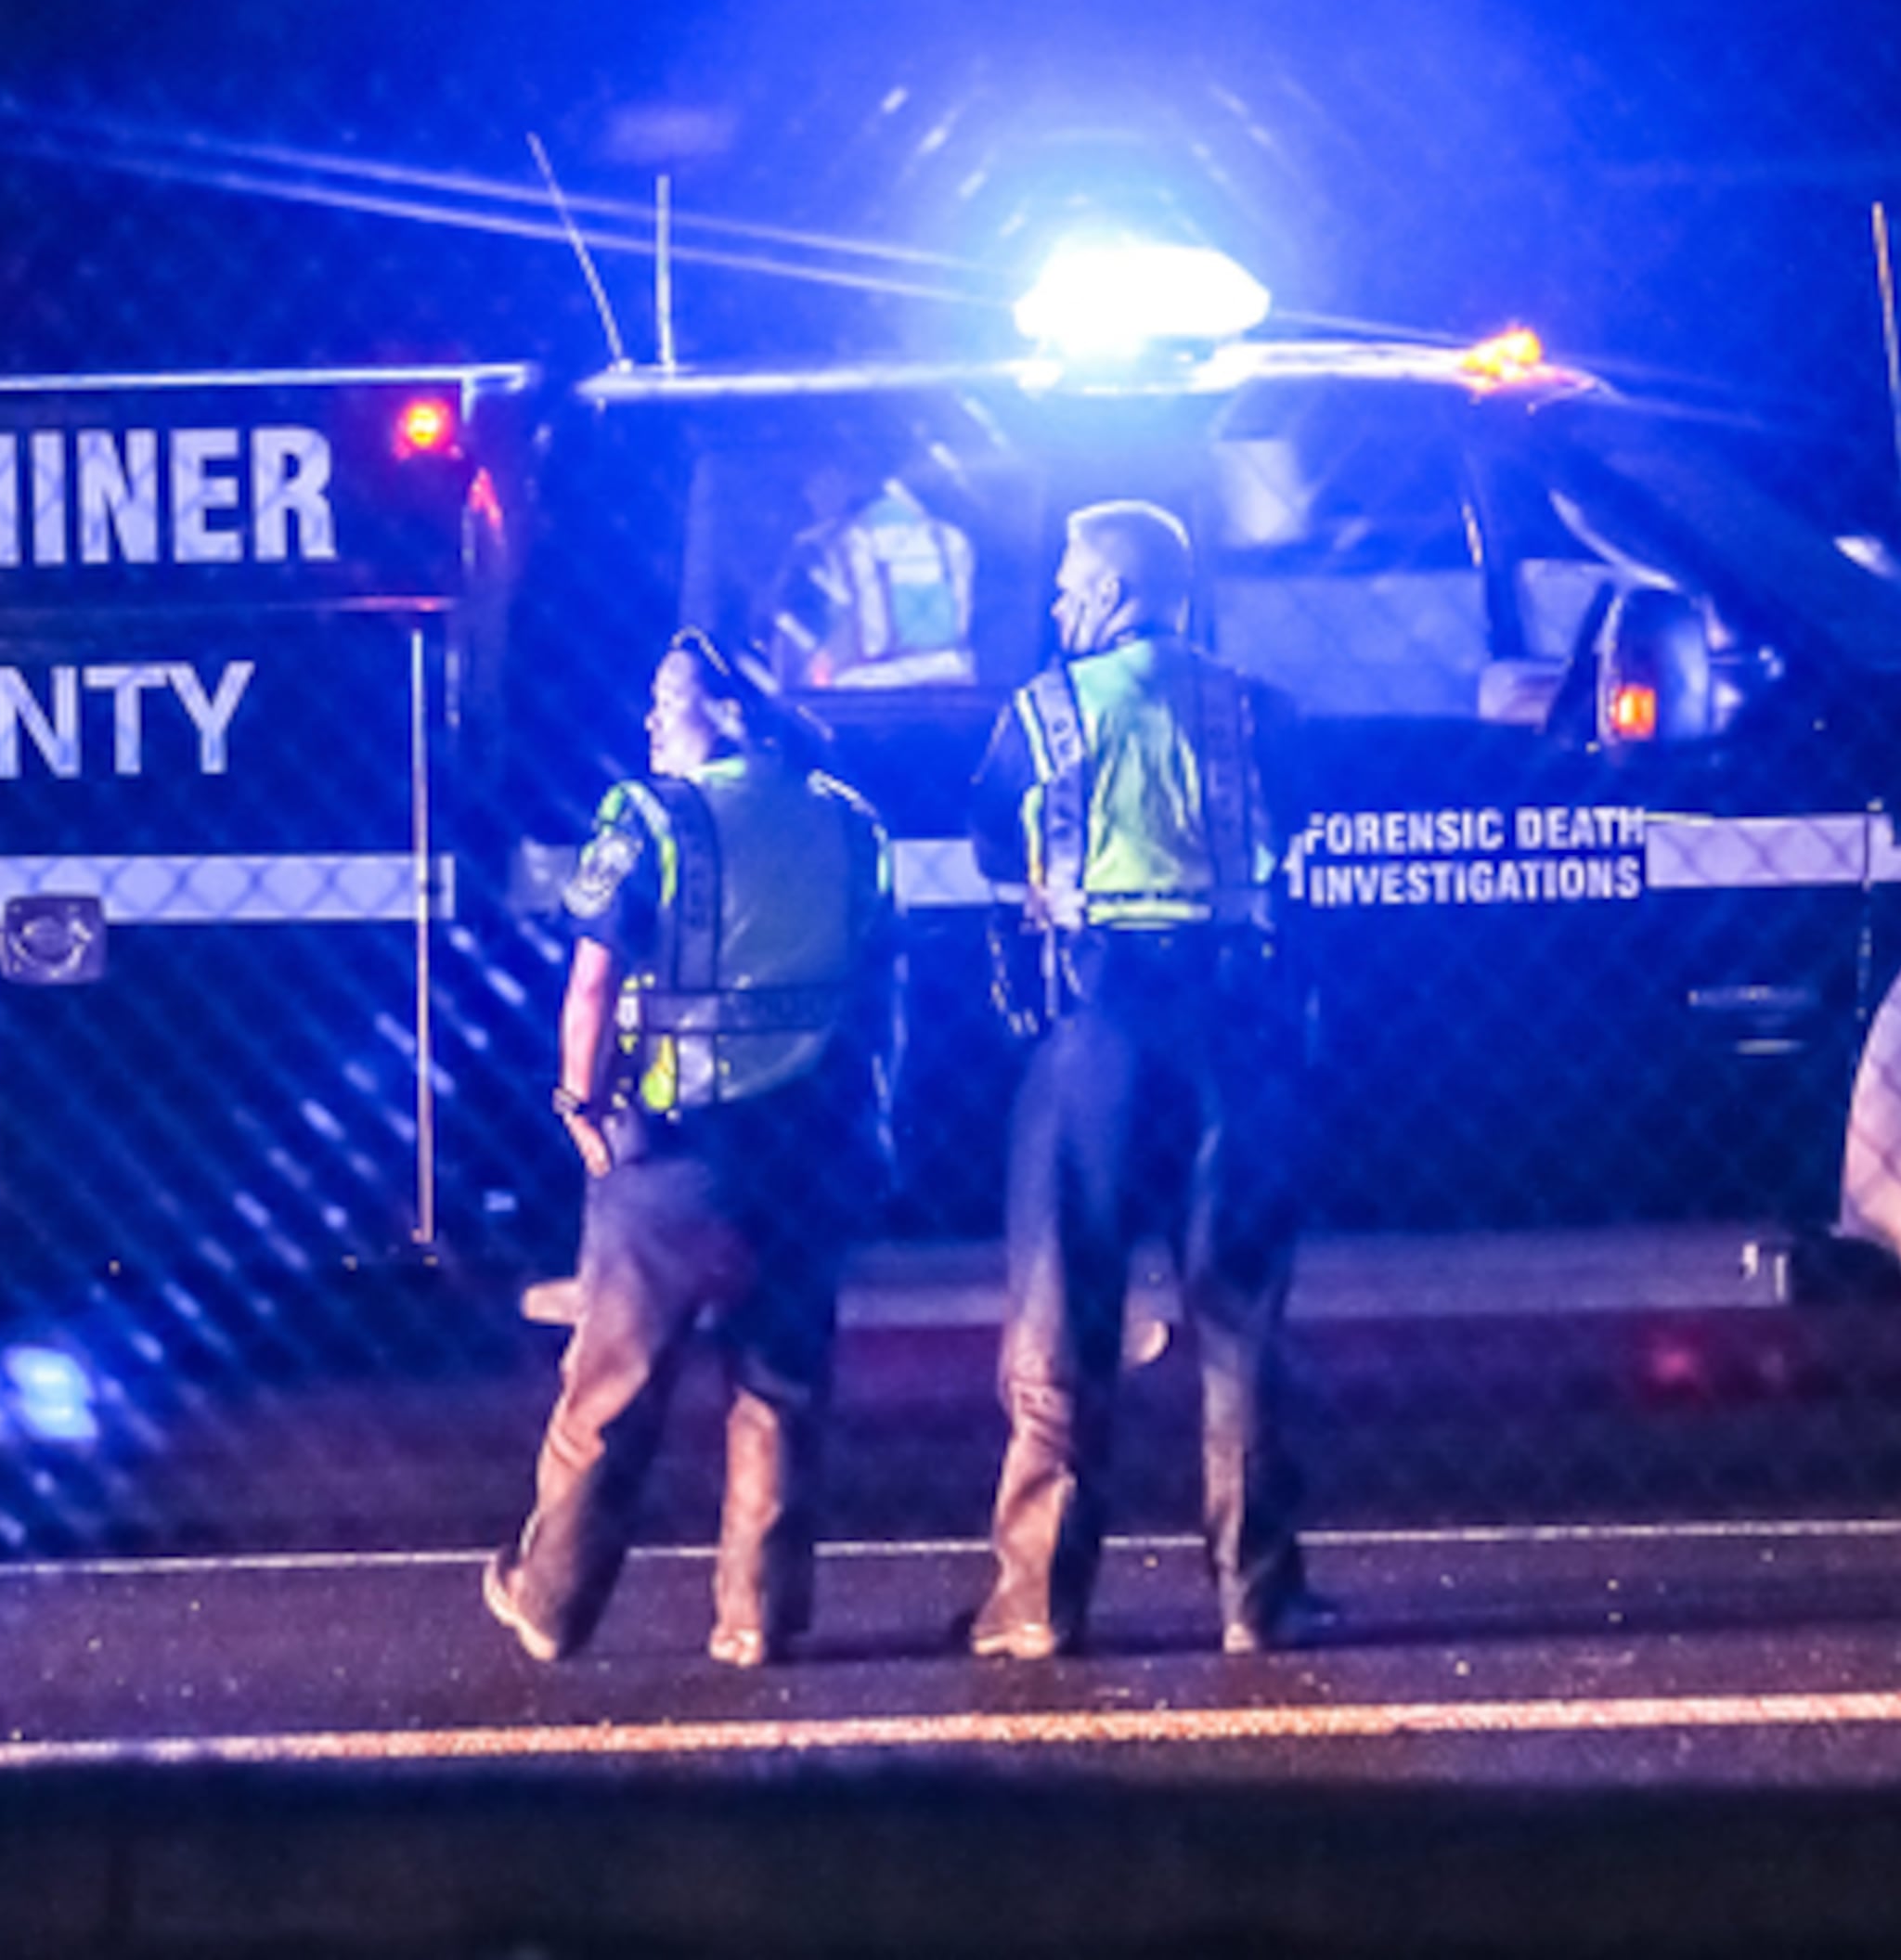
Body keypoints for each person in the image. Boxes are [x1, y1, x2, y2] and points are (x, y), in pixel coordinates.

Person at [485, 633, 897, 1668]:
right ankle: (757, 1617)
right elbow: (880, 987)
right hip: (808, 1147)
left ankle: (551, 1602)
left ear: (727, 712)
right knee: (781, 1385)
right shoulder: (852, 822)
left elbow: (591, 980)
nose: (650, 722)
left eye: (667, 703)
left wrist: (578, 1103)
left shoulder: (648, 816)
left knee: (611, 1387)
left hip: (674, 1152)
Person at [964, 499, 1329, 1659]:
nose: (1057, 602)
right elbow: (1298, 822)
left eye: (1071, 583)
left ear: (1116, 592)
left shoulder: (1042, 712)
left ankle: (1038, 1602)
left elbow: (990, 840)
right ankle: (1257, 1599)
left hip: (1098, 1028)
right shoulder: (1259, 709)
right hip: (1237, 1028)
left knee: (1064, 1315)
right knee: (1242, 1318)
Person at [775, 463, 977, 690]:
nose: (808, 495)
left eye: (814, 484)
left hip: (868, 689)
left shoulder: (838, 543)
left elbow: (817, 629)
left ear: (845, 480)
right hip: (950, 682)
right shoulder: (949, 538)